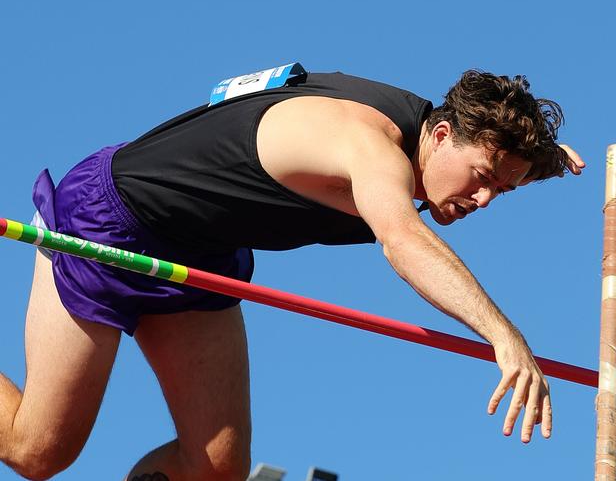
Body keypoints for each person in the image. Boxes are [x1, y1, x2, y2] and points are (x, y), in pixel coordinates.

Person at [0, 67, 584, 481]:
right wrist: (505, 337)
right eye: (482, 176)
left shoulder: (441, 132)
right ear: (439, 135)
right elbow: (403, 242)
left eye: (502, 190)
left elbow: (489, 153)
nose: (484, 199)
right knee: (39, 452)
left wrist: (549, 161)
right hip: (111, 223)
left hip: (203, 255)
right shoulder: (370, 147)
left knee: (215, 470)